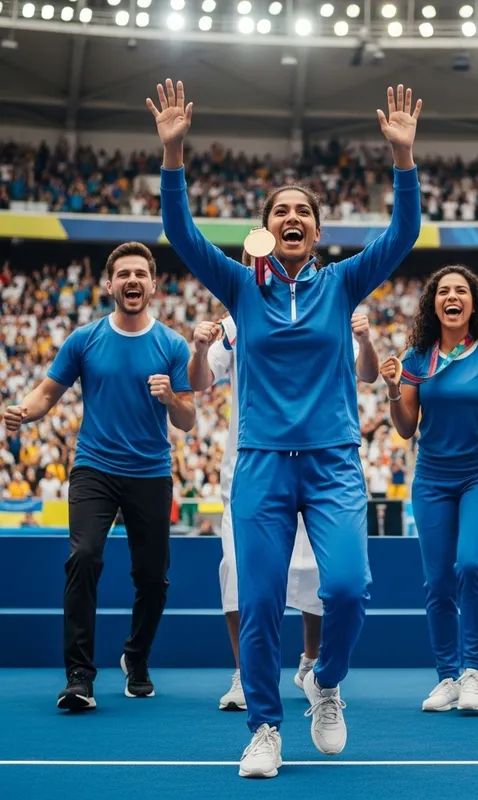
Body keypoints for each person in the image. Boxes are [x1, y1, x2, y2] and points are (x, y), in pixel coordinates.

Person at [148, 78, 421, 778]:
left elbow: (403, 235)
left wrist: (403, 160)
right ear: (267, 228)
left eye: (304, 211)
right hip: (262, 464)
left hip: (332, 462)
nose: (294, 216)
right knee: (261, 597)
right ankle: (265, 728)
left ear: (318, 231)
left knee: (350, 589)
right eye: (282, 211)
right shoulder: (241, 285)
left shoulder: (342, 285)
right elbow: (180, 234)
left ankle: (325, 684)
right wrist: (173, 155)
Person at [2, 242, 196, 711]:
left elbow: (188, 419)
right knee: (83, 557)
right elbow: (49, 391)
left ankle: (137, 656)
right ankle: (79, 676)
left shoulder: (172, 344)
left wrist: (172, 397)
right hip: (94, 468)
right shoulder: (84, 339)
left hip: (151, 472)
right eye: (123, 274)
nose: (132, 281)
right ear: (109, 285)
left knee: (153, 578)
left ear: (153, 285)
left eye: (141, 274)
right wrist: (23, 412)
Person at [188, 299, 380, 711]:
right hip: (250, 467)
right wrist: (200, 349)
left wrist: (364, 340)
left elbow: (365, 373)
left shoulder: (326, 309)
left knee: (320, 575)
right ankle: (247, 676)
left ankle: (312, 662)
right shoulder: (236, 321)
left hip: (319, 465)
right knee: (239, 572)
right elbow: (203, 380)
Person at [379, 265, 478, 714]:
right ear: (433, 304)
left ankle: (474, 673)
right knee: (437, 582)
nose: (451, 297)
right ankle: (447, 677)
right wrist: (395, 390)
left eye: (461, 291)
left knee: (472, 565)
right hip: (432, 479)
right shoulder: (417, 358)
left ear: (473, 303)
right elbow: (404, 429)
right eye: (443, 291)